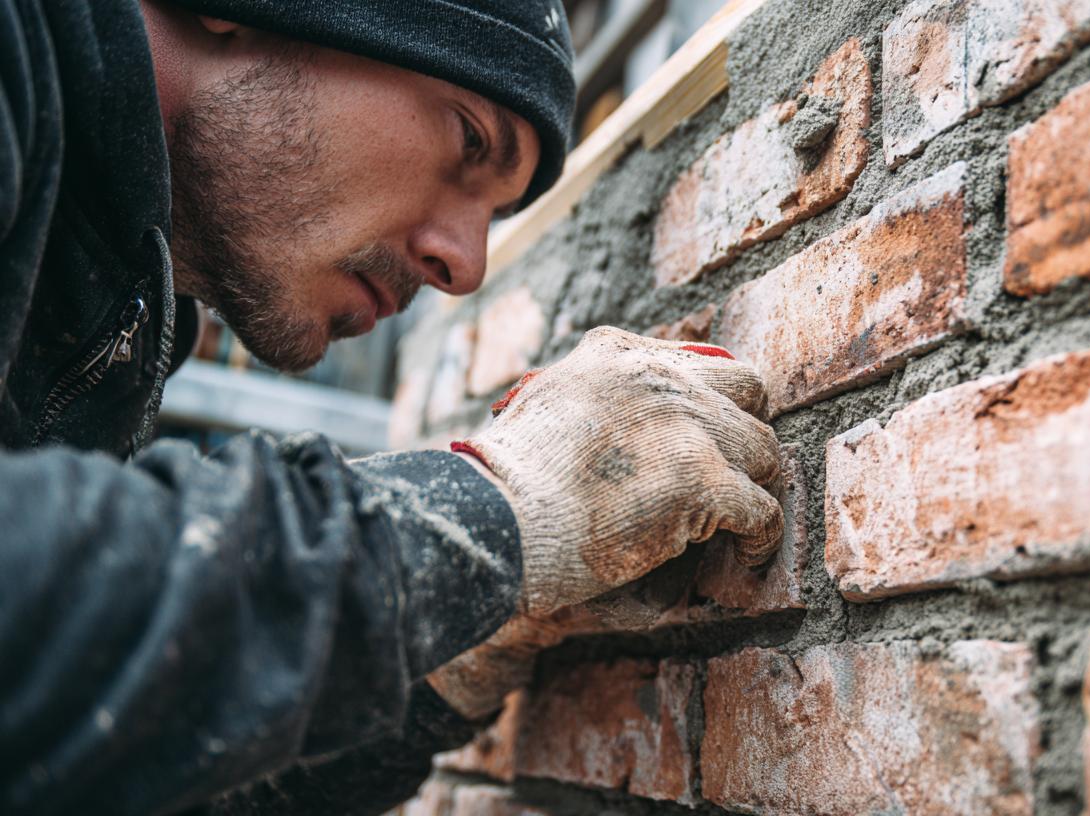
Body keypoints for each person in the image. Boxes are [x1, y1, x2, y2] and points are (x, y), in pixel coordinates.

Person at [0, 1, 784, 814]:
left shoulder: (108, 308)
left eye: (496, 213)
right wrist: (490, 515)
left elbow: (119, 773)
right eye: (470, 139)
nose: (467, 264)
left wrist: (458, 655)